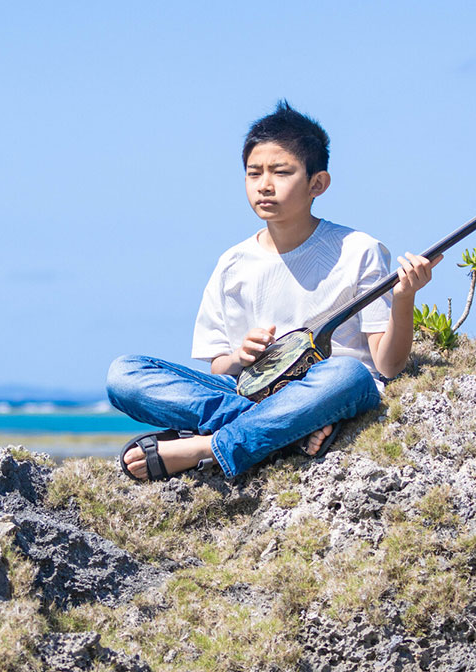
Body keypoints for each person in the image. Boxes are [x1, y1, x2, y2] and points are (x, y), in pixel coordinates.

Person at [107, 100, 439, 481]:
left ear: (318, 183)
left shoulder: (358, 249)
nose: (264, 185)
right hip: (252, 394)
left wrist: (404, 299)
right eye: (253, 173)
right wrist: (239, 356)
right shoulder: (233, 264)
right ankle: (288, 432)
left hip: (329, 390)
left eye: (281, 172)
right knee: (124, 374)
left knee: (348, 374)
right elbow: (220, 368)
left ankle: (208, 447)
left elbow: (387, 366)